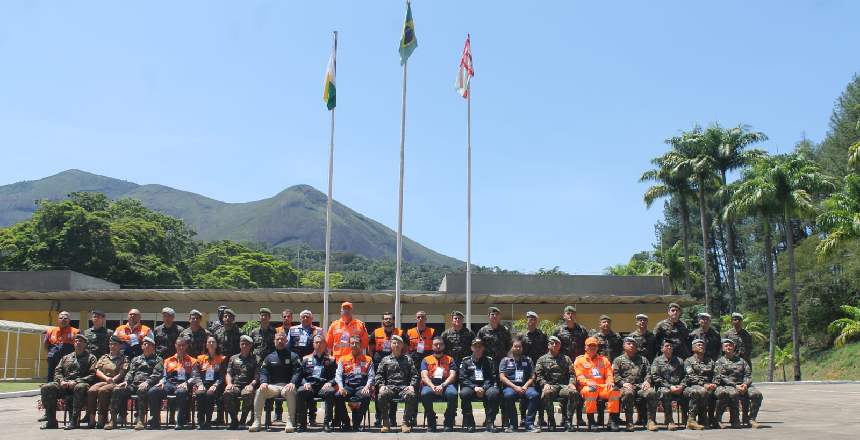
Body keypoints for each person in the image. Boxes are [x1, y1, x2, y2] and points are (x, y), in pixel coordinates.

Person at [39, 333, 96, 430]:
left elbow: (92, 374)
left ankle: (74, 421)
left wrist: (77, 381)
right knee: (47, 388)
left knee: (80, 387)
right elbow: (58, 371)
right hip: (64, 384)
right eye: (76, 341)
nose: (78, 343)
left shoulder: (91, 358)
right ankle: (51, 421)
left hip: (80, 384)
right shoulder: (66, 357)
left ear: (86, 344)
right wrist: (61, 381)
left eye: (81, 341)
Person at [249, 331, 301, 433]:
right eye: (278, 339)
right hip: (273, 387)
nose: (280, 341)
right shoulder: (269, 357)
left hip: (287, 386)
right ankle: (257, 421)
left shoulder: (293, 356)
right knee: (260, 390)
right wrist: (263, 382)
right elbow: (263, 371)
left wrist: (292, 382)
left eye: (282, 339)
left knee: (290, 390)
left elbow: (297, 371)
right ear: (274, 341)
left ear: (286, 341)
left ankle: (291, 421)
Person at [110, 335, 163, 431]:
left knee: (142, 390)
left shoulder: (158, 359)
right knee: (117, 389)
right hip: (133, 384)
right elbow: (130, 372)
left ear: (153, 347)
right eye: (143, 343)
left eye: (147, 344)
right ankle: (113, 420)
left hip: (147, 385)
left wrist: (147, 382)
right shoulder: (136, 359)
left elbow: (157, 374)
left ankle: (140, 420)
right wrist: (126, 381)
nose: (145, 345)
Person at [146, 337, 196, 430]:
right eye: (179, 345)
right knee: (153, 391)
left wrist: (186, 383)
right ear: (175, 346)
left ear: (186, 346)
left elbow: (194, 376)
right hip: (170, 383)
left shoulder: (192, 360)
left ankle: (180, 422)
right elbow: (164, 375)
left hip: (183, 383)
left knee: (181, 393)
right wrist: (161, 382)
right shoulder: (168, 360)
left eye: (183, 345)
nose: (181, 347)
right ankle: (155, 421)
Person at [574, 336, 621, 432]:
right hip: (587, 387)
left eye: (594, 346)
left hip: (602, 386)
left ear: (597, 347)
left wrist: (610, 382)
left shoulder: (604, 360)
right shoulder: (580, 360)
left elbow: (609, 374)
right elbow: (579, 376)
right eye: (590, 346)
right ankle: (591, 421)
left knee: (615, 390)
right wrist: (587, 382)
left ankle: (612, 421)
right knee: (590, 391)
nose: (592, 348)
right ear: (585, 347)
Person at [374, 334, 419, 433]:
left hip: (404, 388)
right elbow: (379, 375)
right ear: (391, 345)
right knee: (381, 395)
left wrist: (411, 385)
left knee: (411, 395)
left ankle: (405, 423)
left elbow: (414, 375)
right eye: (394, 343)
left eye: (399, 343)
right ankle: (386, 423)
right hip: (390, 387)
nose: (396, 345)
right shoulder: (385, 360)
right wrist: (381, 385)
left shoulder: (408, 359)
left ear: (402, 345)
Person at [714, 338, 763, 429]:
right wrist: (735, 385)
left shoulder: (742, 361)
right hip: (728, 385)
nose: (728, 347)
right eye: (726, 346)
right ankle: (735, 419)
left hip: (743, 385)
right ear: (723, 349)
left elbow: (748, 374)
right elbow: (722, 377)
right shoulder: (719, 362)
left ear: (734, 347)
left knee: (757, 394)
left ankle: (751, 419)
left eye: (730, 345)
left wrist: (745, 384)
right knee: (734, 394)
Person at [285, 309, 323, 424]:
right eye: (303, 317)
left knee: (311, 386)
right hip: (296, 363)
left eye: (308, 317)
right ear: (300, 318)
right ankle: (297, 416)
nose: (305, 318)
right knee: (297, 389)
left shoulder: (318, 330)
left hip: (312, 363)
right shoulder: (292, 330)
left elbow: (321, 345)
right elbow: (287, 347)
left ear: (312, 319)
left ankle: (312, 416)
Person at [612, 336, 657, 432]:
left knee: (651, 392)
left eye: (634, 344)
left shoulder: (643, 359)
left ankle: (651, 421)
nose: (632, 345)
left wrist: (647, 381)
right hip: (625, 387)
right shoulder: (618, 360)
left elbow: (649, 373)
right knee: (628, 393)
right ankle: (629, 422)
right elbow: (615, 375)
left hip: (640, 386)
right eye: (629, 343)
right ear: (624, 346)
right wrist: (623, 383)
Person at [295, 335, 338, 432]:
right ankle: (302, 424)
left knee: (330, 392)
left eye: (321, 342)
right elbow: (299, 375)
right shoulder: (306, 359)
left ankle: (327, 423)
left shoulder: (331, 359)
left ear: (325, 344)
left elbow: (337, 376)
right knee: (300, 391)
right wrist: (305, 383)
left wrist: (330, 383)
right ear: (313, 344)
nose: (319, 344)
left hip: (323, 387)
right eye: (316, 342)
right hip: (310, 387)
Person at [534, 335, 577, 432]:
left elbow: (572, 374)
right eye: (552, 343)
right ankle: (552, 420)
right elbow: (539, 375)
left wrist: (571, 383)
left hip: (563, 386)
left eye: (557, 343)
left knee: (573, 393)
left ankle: (568, 421)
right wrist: (544, 384)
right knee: (546, 393)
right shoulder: (542, 359)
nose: (554, 345)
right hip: (550, 386)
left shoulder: (566, 358)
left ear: (560, 346)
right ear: (548, 345)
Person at [458, 338, 501, 433]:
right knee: (464, 394)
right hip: (471, 387)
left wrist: (484, 388)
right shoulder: (465, 361)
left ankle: (490, 423)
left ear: (483, 348)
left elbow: (492, 377)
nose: (478, 349)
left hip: (486, 386)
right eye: (475, 346)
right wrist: (474, 387)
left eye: (480, 346)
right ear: (471, 348)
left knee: (494, 393)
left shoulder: (488, 361)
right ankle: (470, 424)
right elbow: (462, 378)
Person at [499, 336, 540, 432]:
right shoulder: (505, 360)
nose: (518, 348)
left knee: (534, 395)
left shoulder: (528, 360)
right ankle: (513, 425)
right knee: (508, 396)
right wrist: (515, 387)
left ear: (522, 348)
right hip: (510, 386)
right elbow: (502, 377)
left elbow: (532, 376)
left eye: (520, 347)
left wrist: (525, 386)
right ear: (511, 347)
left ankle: (529, 424)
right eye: (515, 346)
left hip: (525, 386)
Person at [335, 335, 375, 432]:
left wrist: (367, 386)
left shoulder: (368, 359)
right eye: (352, 343)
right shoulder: (343, 359)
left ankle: (357, 422)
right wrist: (340, 387)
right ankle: (346, 422)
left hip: (361, 387)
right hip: (347, 387)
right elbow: (338, 375)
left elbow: (371, 376)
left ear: (361, 345)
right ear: (349, 344)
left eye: (357, 343)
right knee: (337, 395)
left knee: (366, 396)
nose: (354, 345)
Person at [87, 335, 128, 429]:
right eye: (111, 344)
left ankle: (102, 418)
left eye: (115, 344)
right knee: (91, 391)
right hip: (104, 380)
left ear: (119, 346)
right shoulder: (103, 357)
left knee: (103, 391)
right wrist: (106, 378)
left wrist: (113, 379)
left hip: (115, 382)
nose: (112, 346)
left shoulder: (123, 358)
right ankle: (92, 418)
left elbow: (123, 372)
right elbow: (97, 370)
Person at [368, 312, 401, 427]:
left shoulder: (400, 332)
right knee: (379, 391)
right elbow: (370, 348)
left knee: (393, 389)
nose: (388, 321)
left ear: (393, 320)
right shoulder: (376, 332)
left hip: (395, 363)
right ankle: (379, 417)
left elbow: (405, 348)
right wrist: (374, 358)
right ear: (382, 321)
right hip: (379, 364)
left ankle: (392, 417)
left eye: (390, 319)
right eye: (386, 319)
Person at [419, 337, 458, 432]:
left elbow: (453, 375)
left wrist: (443, 385)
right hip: (430, 384)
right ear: (432, 346)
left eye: (440, 344)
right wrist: (433, 386)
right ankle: (431, 419)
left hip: (446, 384)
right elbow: (424, 376)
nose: (438, 346)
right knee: (424, 394)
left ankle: (448, 420)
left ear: (444, 346)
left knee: (453, 394)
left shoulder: (450, 359)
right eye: (436, 344)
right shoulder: (426, 359)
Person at [651, 340, 687, 431]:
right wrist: (669, 386)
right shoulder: (657, 361)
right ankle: (669, 420)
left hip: (678, 387)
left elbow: (686, 376)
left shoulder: (679, 361)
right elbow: (655, 376)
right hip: (664, 387)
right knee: (666, 392)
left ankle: (690, 420)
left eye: (671, 346)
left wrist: (682, 386)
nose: (669, 347)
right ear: (662, 348)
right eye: (667, 346)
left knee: (691, 391)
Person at [223, 335, 259, 429]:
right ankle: (234, 420)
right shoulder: (233, 358)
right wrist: (229, 384)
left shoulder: (255, 359)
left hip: (248, 385)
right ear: (239, 345)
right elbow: (228, 373)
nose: (244, 346)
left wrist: (252, 385)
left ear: (250, 346)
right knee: (227, 393)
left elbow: (256, 376)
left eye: (246, 344)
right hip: (236, 385)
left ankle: (243, 419)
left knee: (247, 394)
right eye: (242, 344)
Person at [193, 335, 226, 429]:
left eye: (213, 342)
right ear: (206, 345)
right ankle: (200, 421)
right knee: (200, 394)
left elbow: (222, 375)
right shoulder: (200, 359)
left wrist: (215, 385)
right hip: (203, 384)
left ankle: (208, 421)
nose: (211, 344)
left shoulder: (222, 359)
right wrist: (200, 384)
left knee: (210, 394)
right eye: (209, 342)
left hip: (216, 385)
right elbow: (196, 373)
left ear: (216, 345)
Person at [683, 338, 716, 430]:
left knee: (721, 391)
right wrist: (704, 384)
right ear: (693, 348)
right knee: (700, 391)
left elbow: (717, 374)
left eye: (703, 345)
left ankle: (711, 420)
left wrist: (714, 383)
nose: (701, 346)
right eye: (699, 345)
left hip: (709, 386)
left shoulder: (710, 361)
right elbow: (690, 376)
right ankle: (691, 420)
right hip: (690, 386)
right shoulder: (688, 361)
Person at [43, 310, 79, 383]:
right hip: (53, 360)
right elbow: (46, 344)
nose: (63, 319)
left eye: (65, 318)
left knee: (67, 379)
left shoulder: (75, 331)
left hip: (68, 361)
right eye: (60, 318)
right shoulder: (50, 331)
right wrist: (51, 354)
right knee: (51, 379)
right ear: (58, 320)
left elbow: (79, 346)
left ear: (69, 320)